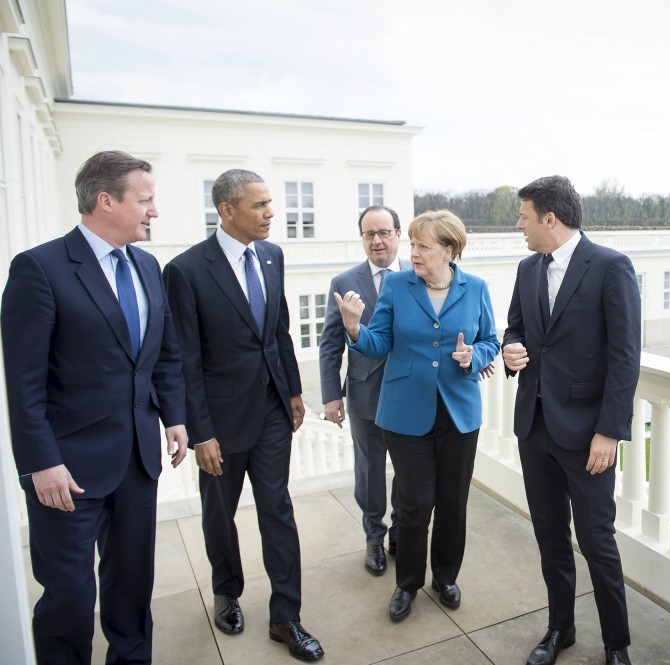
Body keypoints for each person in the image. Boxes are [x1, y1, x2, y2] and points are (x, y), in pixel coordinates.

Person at [1, 150, 189, 665]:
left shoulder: (147, 266)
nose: (154, 211)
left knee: (132, 585)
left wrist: (173, 416)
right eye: (145, 200)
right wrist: (41, 462)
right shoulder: (39, 269)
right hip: (67, 469)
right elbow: (23, 382)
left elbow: (164, 354)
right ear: (106, 201)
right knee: (70, 596)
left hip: (137, 461)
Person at [163, 169, 323, 661]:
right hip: (220, 421)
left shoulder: (272, 256)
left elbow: (278, 331)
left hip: (272, 410)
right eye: (259, 205)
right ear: (227, 210)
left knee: (278, 509)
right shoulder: (186, 270)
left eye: (270, 202)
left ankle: (286, 617)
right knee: (220, 513)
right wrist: (200, 433)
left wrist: (292, 390)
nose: (271, 213)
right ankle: (226, 590)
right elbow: (186, 358)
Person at [333, 210, 499, 622]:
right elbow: (378, 342)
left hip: (459, 413)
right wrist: (354, 329)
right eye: (412, 244)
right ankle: (407, 583)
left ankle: (445, 577)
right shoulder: (397, 285)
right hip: (405, 412)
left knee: (453, 502)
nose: (414, 253)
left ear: (449, 250)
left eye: (423, 246)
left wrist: (473, 355)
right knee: (414, 503)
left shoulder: (476, 288)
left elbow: (490, 341)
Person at [502, 176, 641, 665]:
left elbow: (625, 357)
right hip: (534, 427)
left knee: (597, 543)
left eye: (523, 216)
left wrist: (609, 432)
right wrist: (511, 350)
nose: (518, 225)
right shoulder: (527, 268)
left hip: (587, 436)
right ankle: (560, 628)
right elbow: (516, 328)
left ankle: (616, 645)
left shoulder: (610, 267)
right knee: (550, 537)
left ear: (549, 218)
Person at [318, 205, 410, 576]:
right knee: (370, 472)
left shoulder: (418, 274)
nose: (377, 240)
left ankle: (401, 533)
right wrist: (331, 395)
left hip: (410, 395)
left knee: (408, 470)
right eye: (369, 234)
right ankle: (374, 535)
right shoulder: (344, 282)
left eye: (384, 232)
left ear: (398, 234)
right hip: (364, 395)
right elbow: (329, 344)